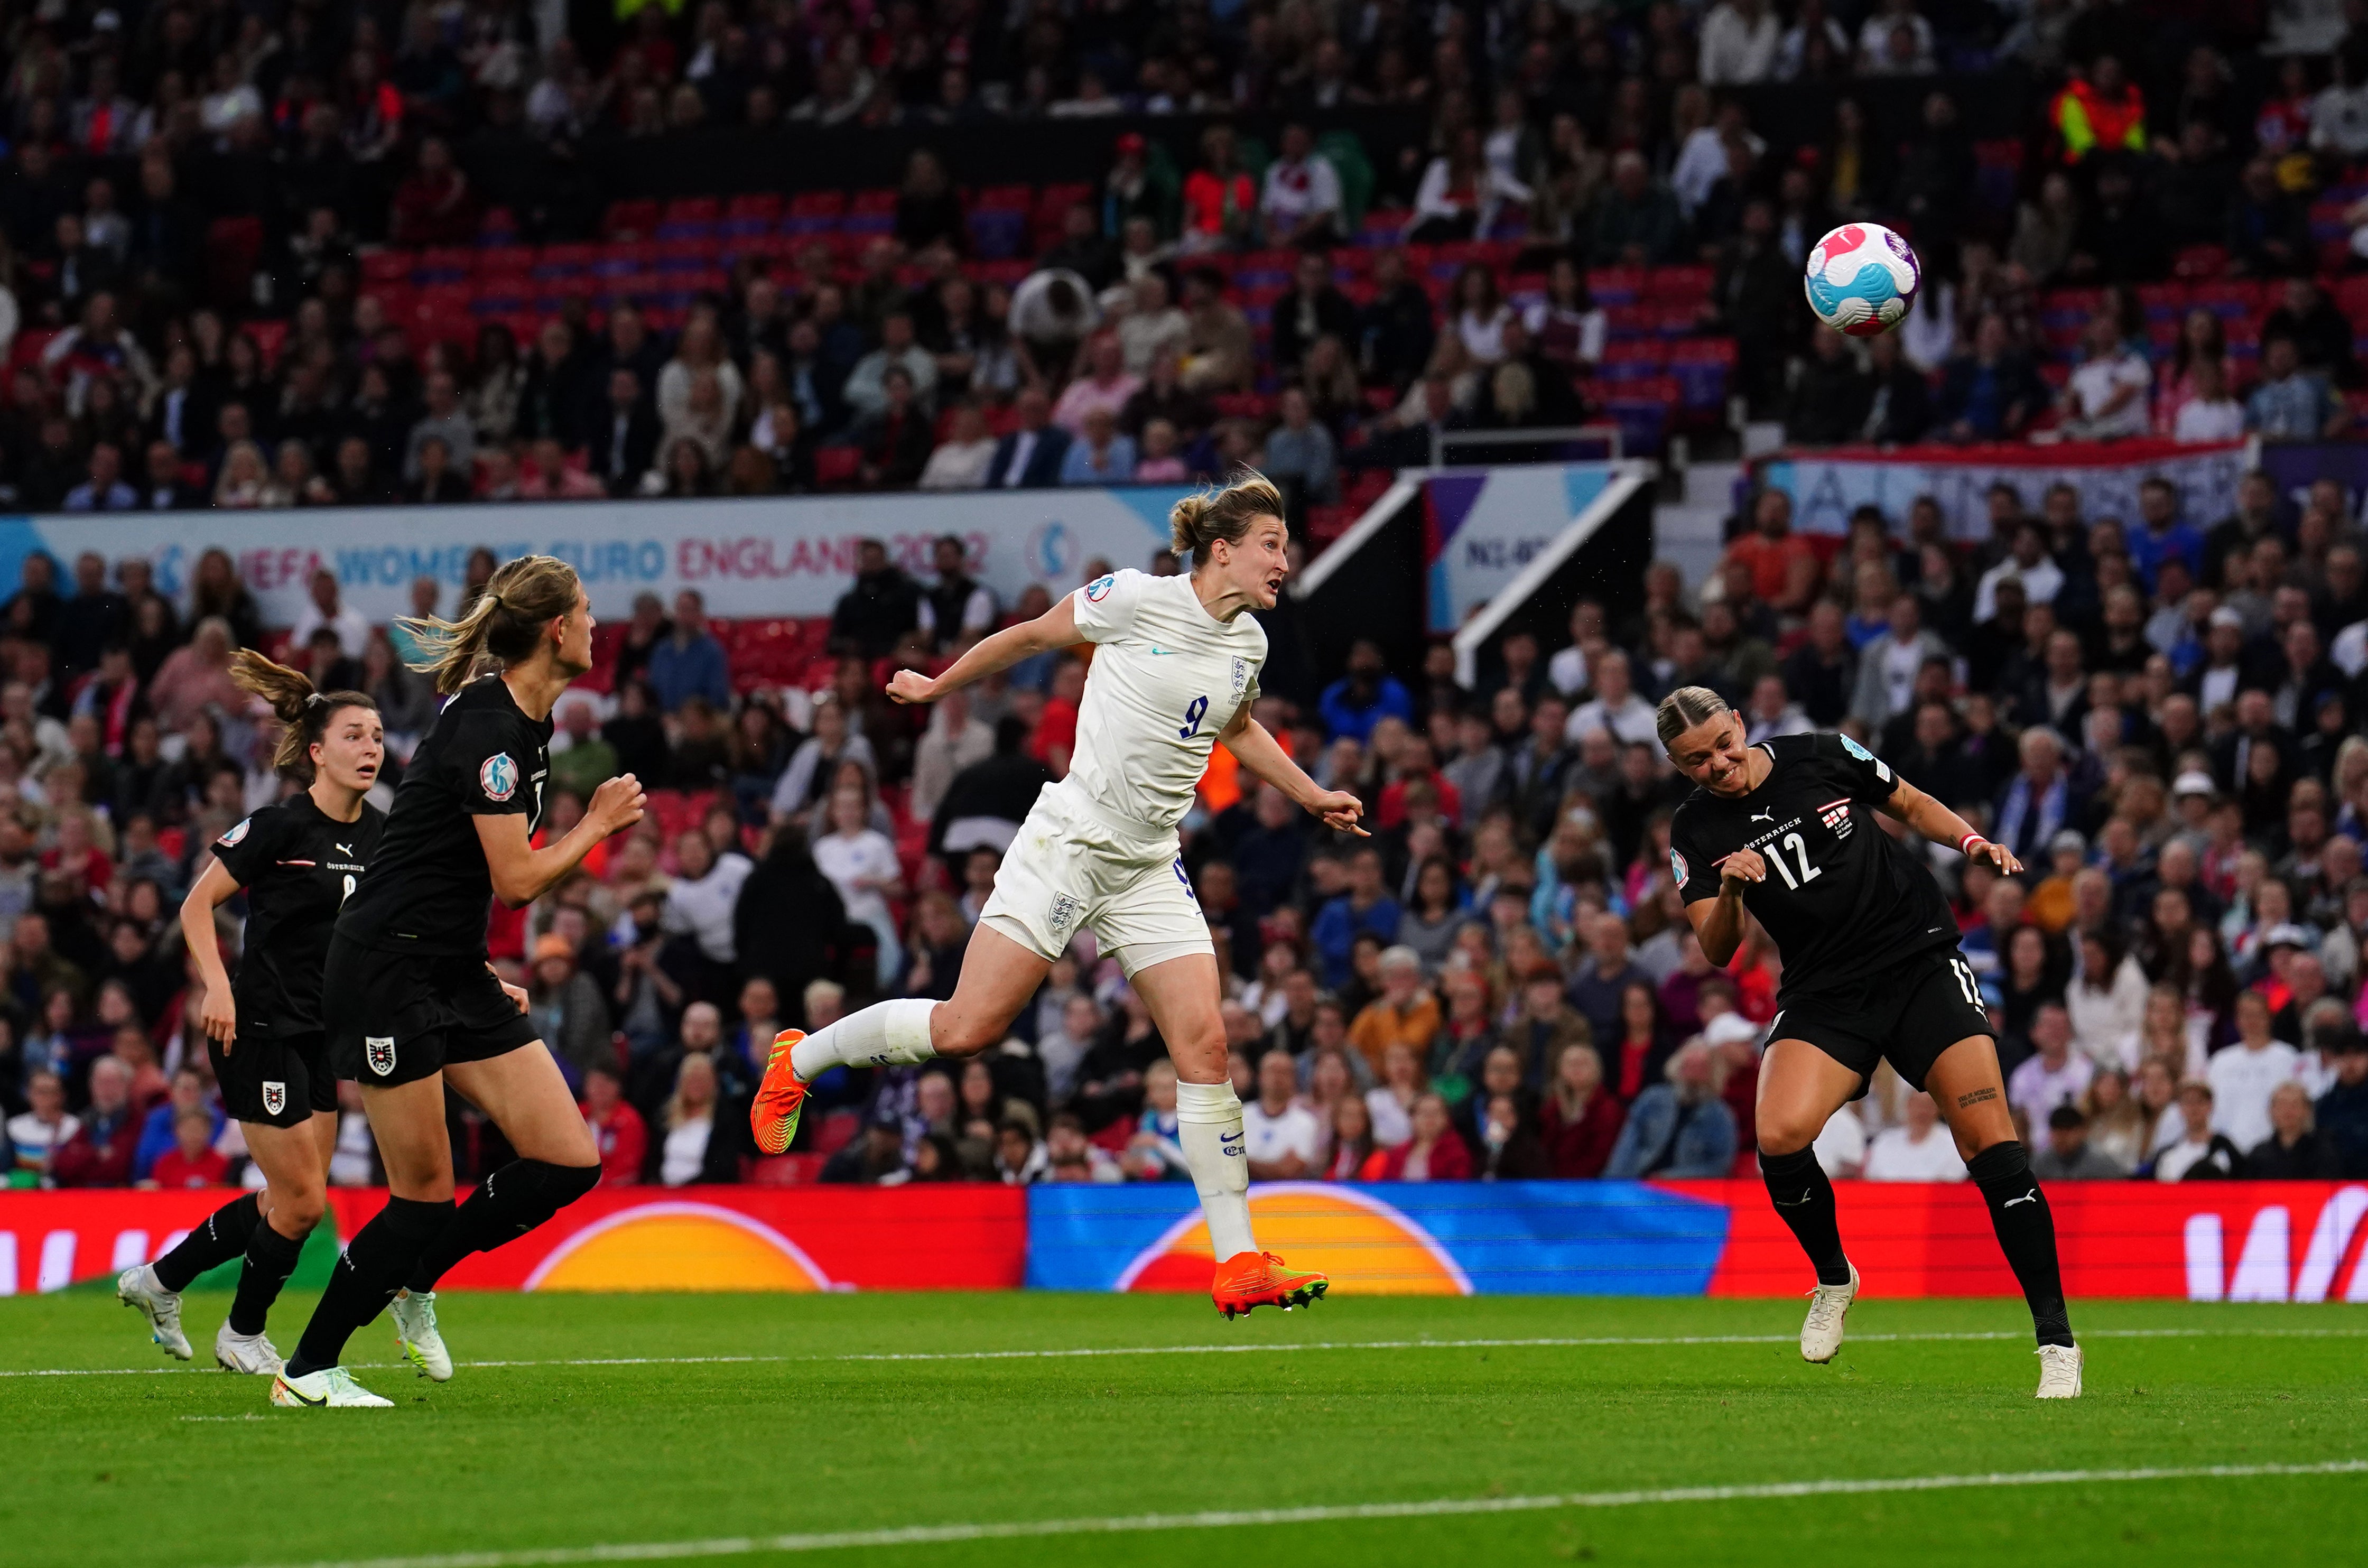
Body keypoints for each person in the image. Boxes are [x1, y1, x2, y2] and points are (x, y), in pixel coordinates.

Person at [753, 474, 1364, 1320]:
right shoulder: (1134, 598)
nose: (1284, 562)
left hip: (1149, 862)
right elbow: (1029, 636)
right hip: (1070, 842)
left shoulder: (1247, 645)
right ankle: (800, 1059)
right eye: (1272, 544)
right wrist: (936, 688)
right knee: (967, 1028)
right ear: (1222, 548)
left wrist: (1310, 793)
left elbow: (1236, 726)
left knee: (1207, 1049)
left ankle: (1240, 1260)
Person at [268, 556, 647, 1409]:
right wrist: (597, 823)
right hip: (388, 970)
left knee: (566, 1159)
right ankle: (307, 1370)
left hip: (449, 965)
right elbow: (514, 879)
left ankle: (415, 1280)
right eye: (586, 610)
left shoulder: (521, 723)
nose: (595, 623)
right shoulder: (489, 728)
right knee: (422, 1196)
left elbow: (439, 863)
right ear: (557, 630)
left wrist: (475, 964)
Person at [1660, 685, 2082, 1396]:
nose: (1717, 763)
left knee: (1990, 1142)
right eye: (1696, 760)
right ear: (1678, 765)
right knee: (1779, 1134)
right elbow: (1717, 949)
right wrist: (1732, 891)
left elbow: (1910, 803)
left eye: (1721, 743)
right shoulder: (1694, 831)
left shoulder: (1821, 754)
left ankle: (2057, 1342)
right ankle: (1833, 1276)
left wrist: (1972, 841)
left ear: (1738, 721)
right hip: (1825, 993)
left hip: (1917, 961)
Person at [118, 653, 384, 1376]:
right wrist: (218, 985)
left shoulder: (381, 835)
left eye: (379, 736)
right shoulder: (278, 825)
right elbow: (195, 904)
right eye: (356, 735)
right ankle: (241, 1331)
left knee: (289, 1197)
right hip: (258, 1025)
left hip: (324, 1036)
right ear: (318, 750)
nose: (372, 749)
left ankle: (160, 1280)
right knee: (302, 1202)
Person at [1861, 1090, 1967, 1179]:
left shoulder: (1954, 1143)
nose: (1922, 1111)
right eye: (1917, 1104)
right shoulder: (1885, 1141)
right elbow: (1872, 1178)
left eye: (1928, 1106)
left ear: (1938, 1109)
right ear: (1908, 1105)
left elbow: (1952, 1181)